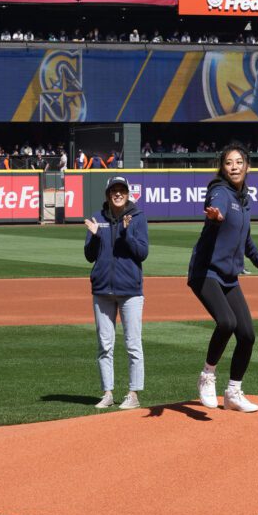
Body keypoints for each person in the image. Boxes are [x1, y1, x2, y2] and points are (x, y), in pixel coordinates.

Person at [188, 142, 258, 413]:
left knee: (247, 335)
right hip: (205, 272)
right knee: (226, 322)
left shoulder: (244, 199)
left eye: (238, 162)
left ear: (247, 166)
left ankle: (234, 392)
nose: (234, 166)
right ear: (222, 167)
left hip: (228, 276)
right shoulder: (220, 192)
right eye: (228, 162)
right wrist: (215, 217)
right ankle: (207, 375)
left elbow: (245, 238)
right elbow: (216, 208)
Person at [84, 175, 149, 410]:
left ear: (128, 193)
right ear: (108, 194)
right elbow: (90, 255)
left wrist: (127, 233)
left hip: (130, 290)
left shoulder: (137, 217)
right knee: (105, 345)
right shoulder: (98, 218)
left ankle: (133, 393)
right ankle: (107, 393)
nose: (118, 193)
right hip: (102, 289)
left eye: (122, 190)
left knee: (133, 344)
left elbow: (142, 253)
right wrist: (94, 236)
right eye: (114, 190)